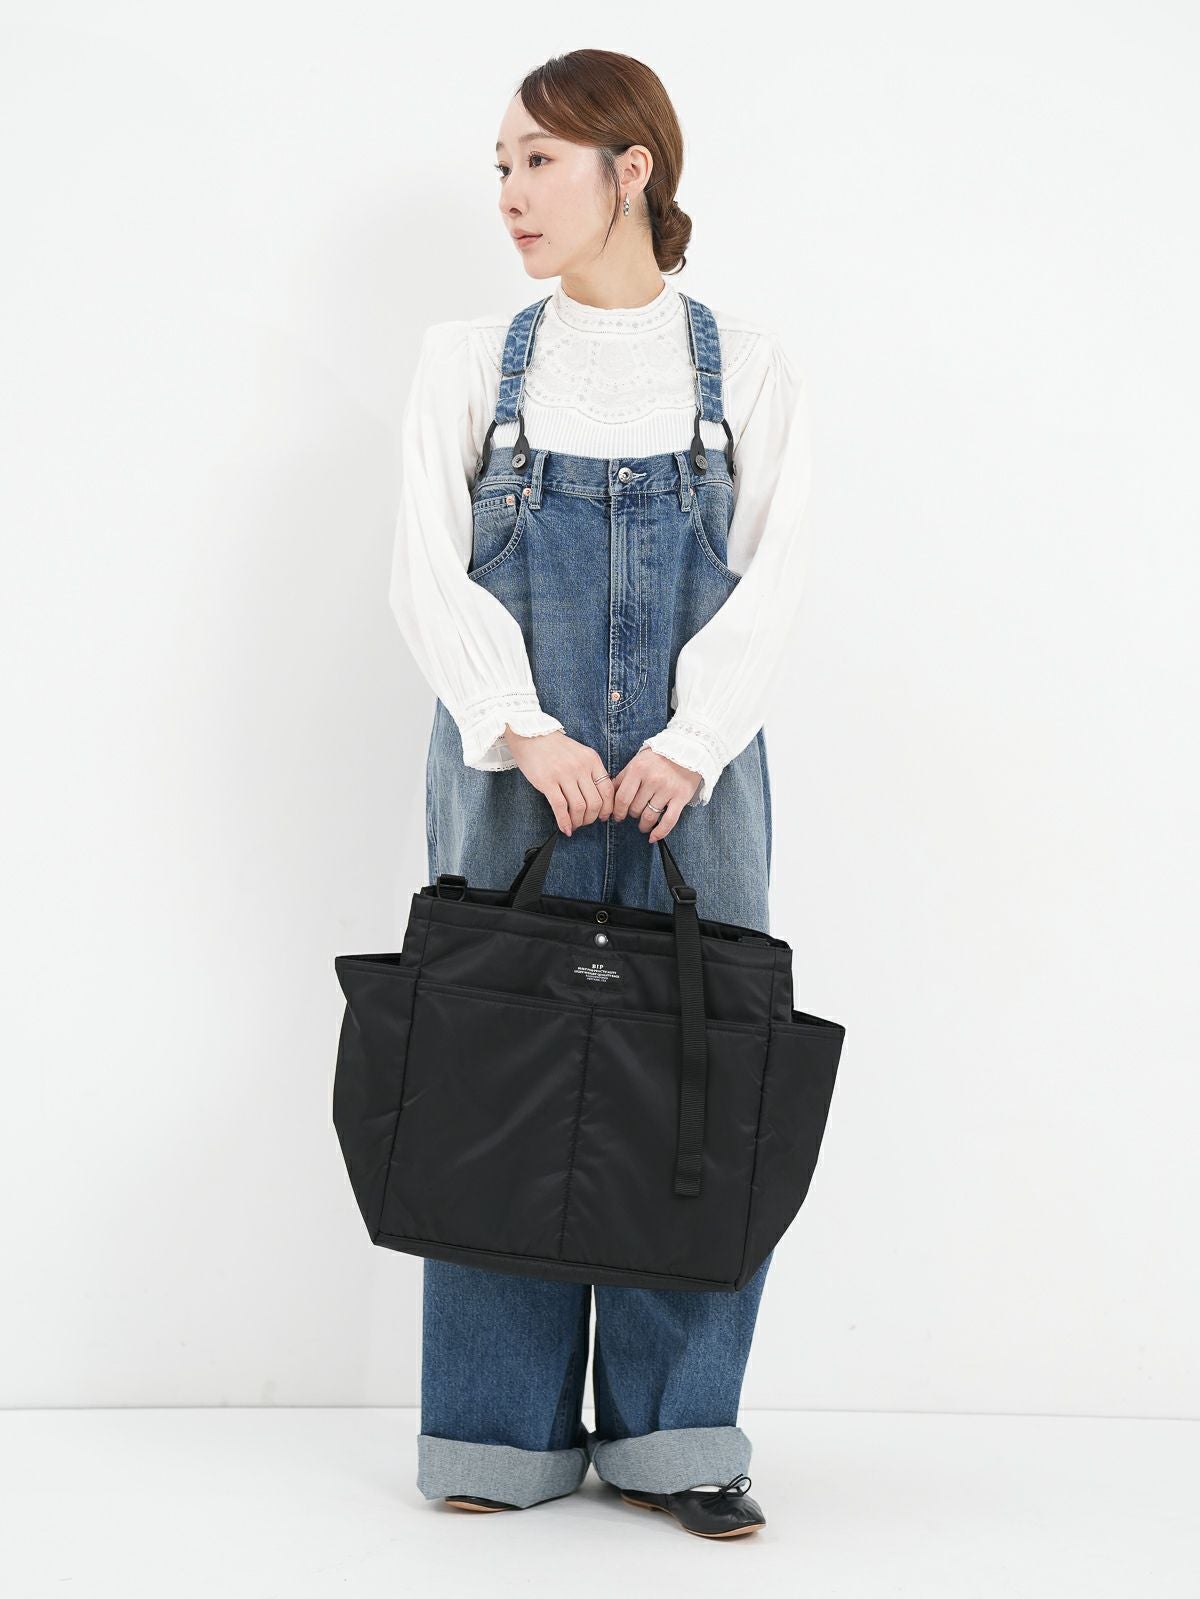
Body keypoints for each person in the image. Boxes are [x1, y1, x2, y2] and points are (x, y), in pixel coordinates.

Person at [389, 49, 815, 1540]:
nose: (509, 193)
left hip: (699, 780)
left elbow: (780, 573)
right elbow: (425, 570)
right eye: (501, 166)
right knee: (496, 1067)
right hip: (516, 777)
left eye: (539, 162)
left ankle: (677, 1439)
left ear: (632, 170)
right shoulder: (468, 362)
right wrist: (519, 727)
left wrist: (692, 740)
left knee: (696, 1068)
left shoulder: (745, 365)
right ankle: (495, 1434)